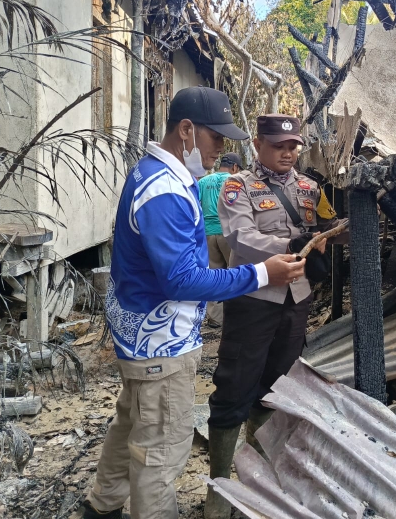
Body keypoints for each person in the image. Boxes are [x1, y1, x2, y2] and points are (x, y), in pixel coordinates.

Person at [81, 89, 305, 519]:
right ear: (185, 130)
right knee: (162, 449)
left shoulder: (152, 173)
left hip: (141, 332)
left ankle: (102, 505)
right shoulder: (164, 189)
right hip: (160, 345)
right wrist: (261, 273)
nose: (221, 147)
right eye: (214, 136)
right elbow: (182, 279)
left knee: (131, 423)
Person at [204, 113, 348, 518]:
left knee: (276, 387)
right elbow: (240, 238)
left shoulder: (309, 187)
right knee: (234, 386)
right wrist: (293, 241)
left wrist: (348, 220)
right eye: (278, 145)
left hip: (296, 300)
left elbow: (329, 225)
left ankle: (258, 475)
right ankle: (220, 484)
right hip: (254, 299)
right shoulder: (238, 186)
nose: (287, 152)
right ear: (258, 144)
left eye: (293, 146)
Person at [198, 152, 243, 328]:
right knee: (235, 274)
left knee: (214, 276)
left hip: (207, 235)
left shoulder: (202, 182)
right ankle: (235, 316)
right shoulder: (236, 181)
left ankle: (216, 318)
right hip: (229, 234)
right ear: (235, 167)